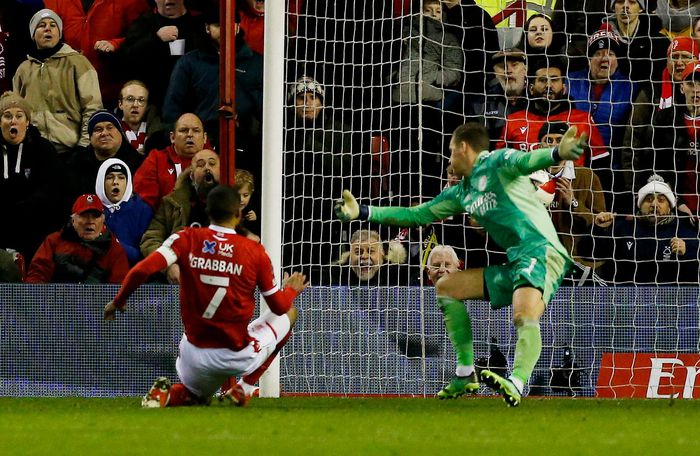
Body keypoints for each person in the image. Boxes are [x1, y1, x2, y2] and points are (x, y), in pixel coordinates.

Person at [334, 122, 587, 406]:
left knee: (523, 315)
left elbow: (528, 159)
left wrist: (555, 153)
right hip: (517, 260)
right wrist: (364, 212)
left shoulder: (497, 161)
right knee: (447, 287)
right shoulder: (462, 192)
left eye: (452, 151)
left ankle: (516, 382)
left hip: (543, 252)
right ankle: (466, 372)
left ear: (464, 148)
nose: (450, 159)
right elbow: (415, 215)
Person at [103, 184, 309, 408]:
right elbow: (278, 307)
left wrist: (118, 301)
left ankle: (169, 395)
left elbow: (142, 270)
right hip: (237, 354)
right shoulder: (255, 251)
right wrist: (291, 290)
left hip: (194, 353)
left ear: (208, 212)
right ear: (238, 213)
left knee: (196, 398)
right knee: (290, 312)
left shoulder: (185, 238)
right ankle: (244, 389)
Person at [12, 8, 102, 157]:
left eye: (53, 25)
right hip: (33, 151)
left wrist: (84, 146)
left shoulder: (79, 63)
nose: (48, 28)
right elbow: (16, 111)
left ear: (59, 33)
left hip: (72, 151)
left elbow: (93, 108)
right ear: (33, 34)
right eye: (41, 25)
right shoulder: (23, 69)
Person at [593, 175, 700, 284]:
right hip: (627, 296)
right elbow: (588, 252)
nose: (654, 204)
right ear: (639, 204)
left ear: (669, 207)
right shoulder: (623, 228)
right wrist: (599, 229)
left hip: (669, 297)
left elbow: (696, 275)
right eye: (649, 199)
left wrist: (687, 253)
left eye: (661, 200)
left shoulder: (684, 231)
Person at [0, 91, 67, 262]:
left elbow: (52, 190)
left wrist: (23, 210)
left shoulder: (43, 149)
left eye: (19, 116)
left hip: (34, 226)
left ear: (27, 122)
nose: (13, 121)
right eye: (7, 116)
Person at [43, 0, 150, 107]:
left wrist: (116, 44)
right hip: (68, 93)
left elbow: (144, 36)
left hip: (112, 94)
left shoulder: (131, 2)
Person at [140, 148, 220, 284]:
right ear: (191, 175)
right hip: (181, 282)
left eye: (212, 164)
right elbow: (150, 240)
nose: (207, 168)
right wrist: (168, 265)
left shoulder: (236, 203)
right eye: (200, 165)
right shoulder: (172, 203)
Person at [119, 0, 207, 109]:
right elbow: (125, 60)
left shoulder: (200, 24)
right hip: (154, 105)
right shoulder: (143, 24)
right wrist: (155, 38)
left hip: (195, 103)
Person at [26, 193, 129, 283]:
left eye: (95, 216)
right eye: (84, 216)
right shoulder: (53, 241)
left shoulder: (114, 249)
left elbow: (119, 288)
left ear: (103, 220)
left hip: (97, 303)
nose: (90, 221)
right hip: (56, 302)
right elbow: (37, 275)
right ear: (73, 220)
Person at [162, 6, 220, 136]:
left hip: (243, 141)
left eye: (230, 25)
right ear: (207, 28)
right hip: (198, 140)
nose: (225, 30)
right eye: (218, 25)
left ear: (238, 27)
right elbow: (172, 108)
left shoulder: (253, 62)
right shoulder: (188, 62)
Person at [133, 113, 208, 210]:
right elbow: (144, 204)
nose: (190, 134)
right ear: (172, 137)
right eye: (183, 130)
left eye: (196, 131)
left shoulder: (214, 163)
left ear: (205, 138)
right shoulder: (156, 160)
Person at [66, 110, 144, 198]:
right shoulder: (76, 163)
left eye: (110, 127)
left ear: (120, 133)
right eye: (98, 129)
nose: (104, 133)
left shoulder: (139, 163)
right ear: (90, 137)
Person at [95, 158, 153, 265]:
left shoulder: (142, 210)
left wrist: (115, 247)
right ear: (100, 182)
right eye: (109, 177)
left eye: (121, 178)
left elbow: (146, 255)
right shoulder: (90, 209)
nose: (115, 182)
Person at [324, 229, 411, 286]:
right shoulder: (334, 275)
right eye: (358, 252)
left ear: (382, 254)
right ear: (350, 256)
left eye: (371, 251)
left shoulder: (399, 275)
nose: (364, 256)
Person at [117, 80, 166, 156]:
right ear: (120, 104)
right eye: (130, 99)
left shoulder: (158, 132)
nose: (135, 105)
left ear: (147, 105)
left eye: (141, 100)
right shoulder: (112, 130)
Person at [234, 168, 259, 241]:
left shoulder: (252, 210)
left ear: (251, 193)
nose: (241, 199)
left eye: (245, 195)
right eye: (237, 195)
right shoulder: (225, 211)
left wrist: (255, 219)